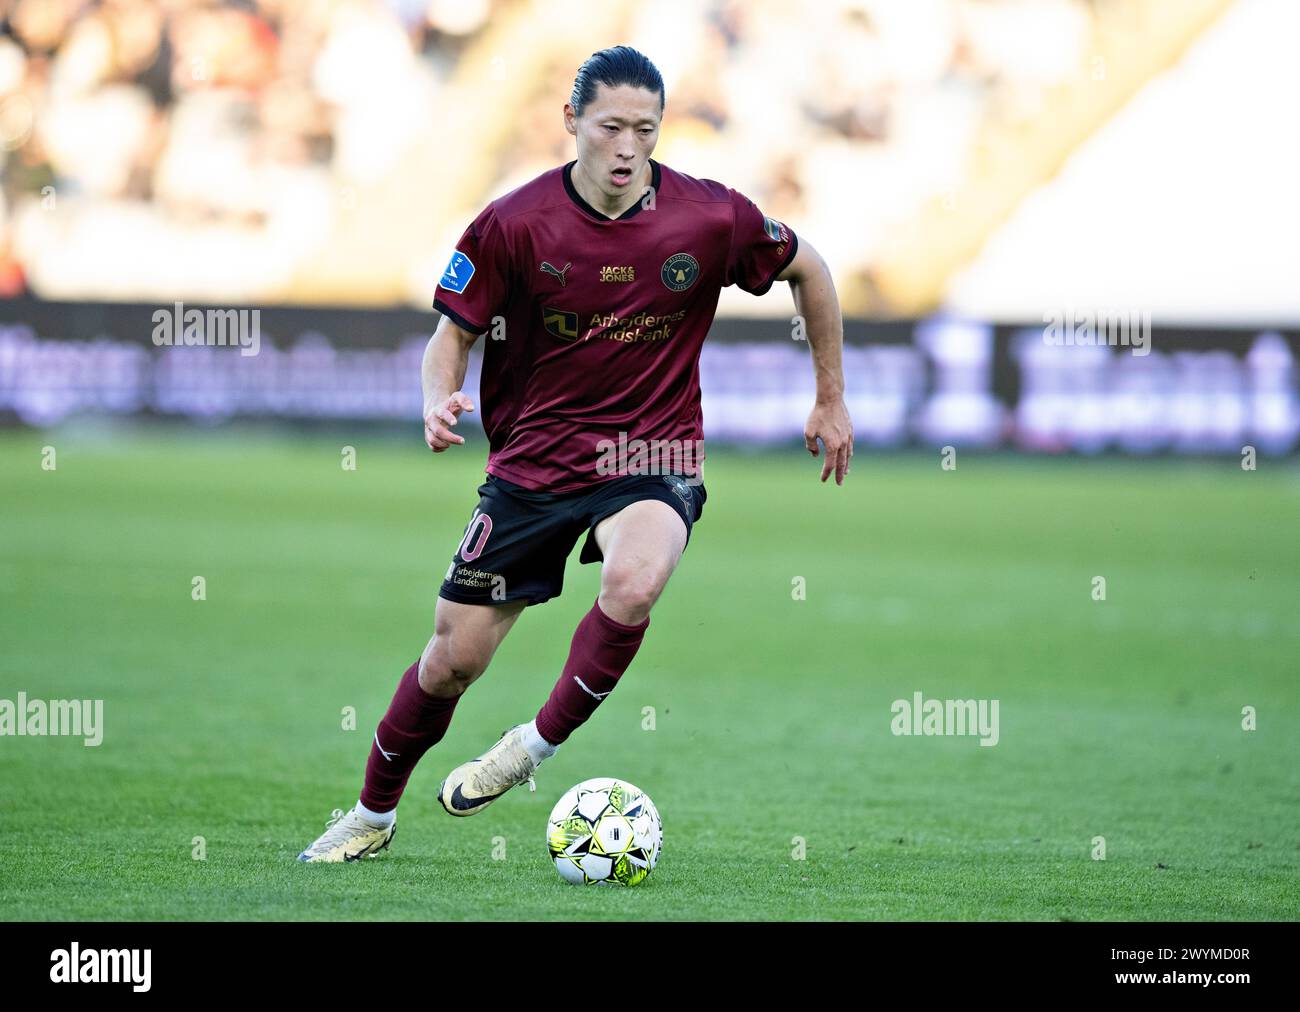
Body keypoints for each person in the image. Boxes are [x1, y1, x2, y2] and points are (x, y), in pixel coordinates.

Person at [298, 45, 852, 863]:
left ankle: (534, 746)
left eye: (646, 129)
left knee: (637, 578)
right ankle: (371, 816)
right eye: (611, 127)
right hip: (534, 465)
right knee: (454, 660)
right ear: (572, 123)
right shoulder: (514, 223)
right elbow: (450, 337)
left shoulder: (708, 217)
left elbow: (810, 268)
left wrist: (831, 396)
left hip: (652, 453)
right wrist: (434, 398)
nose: (628, 147)